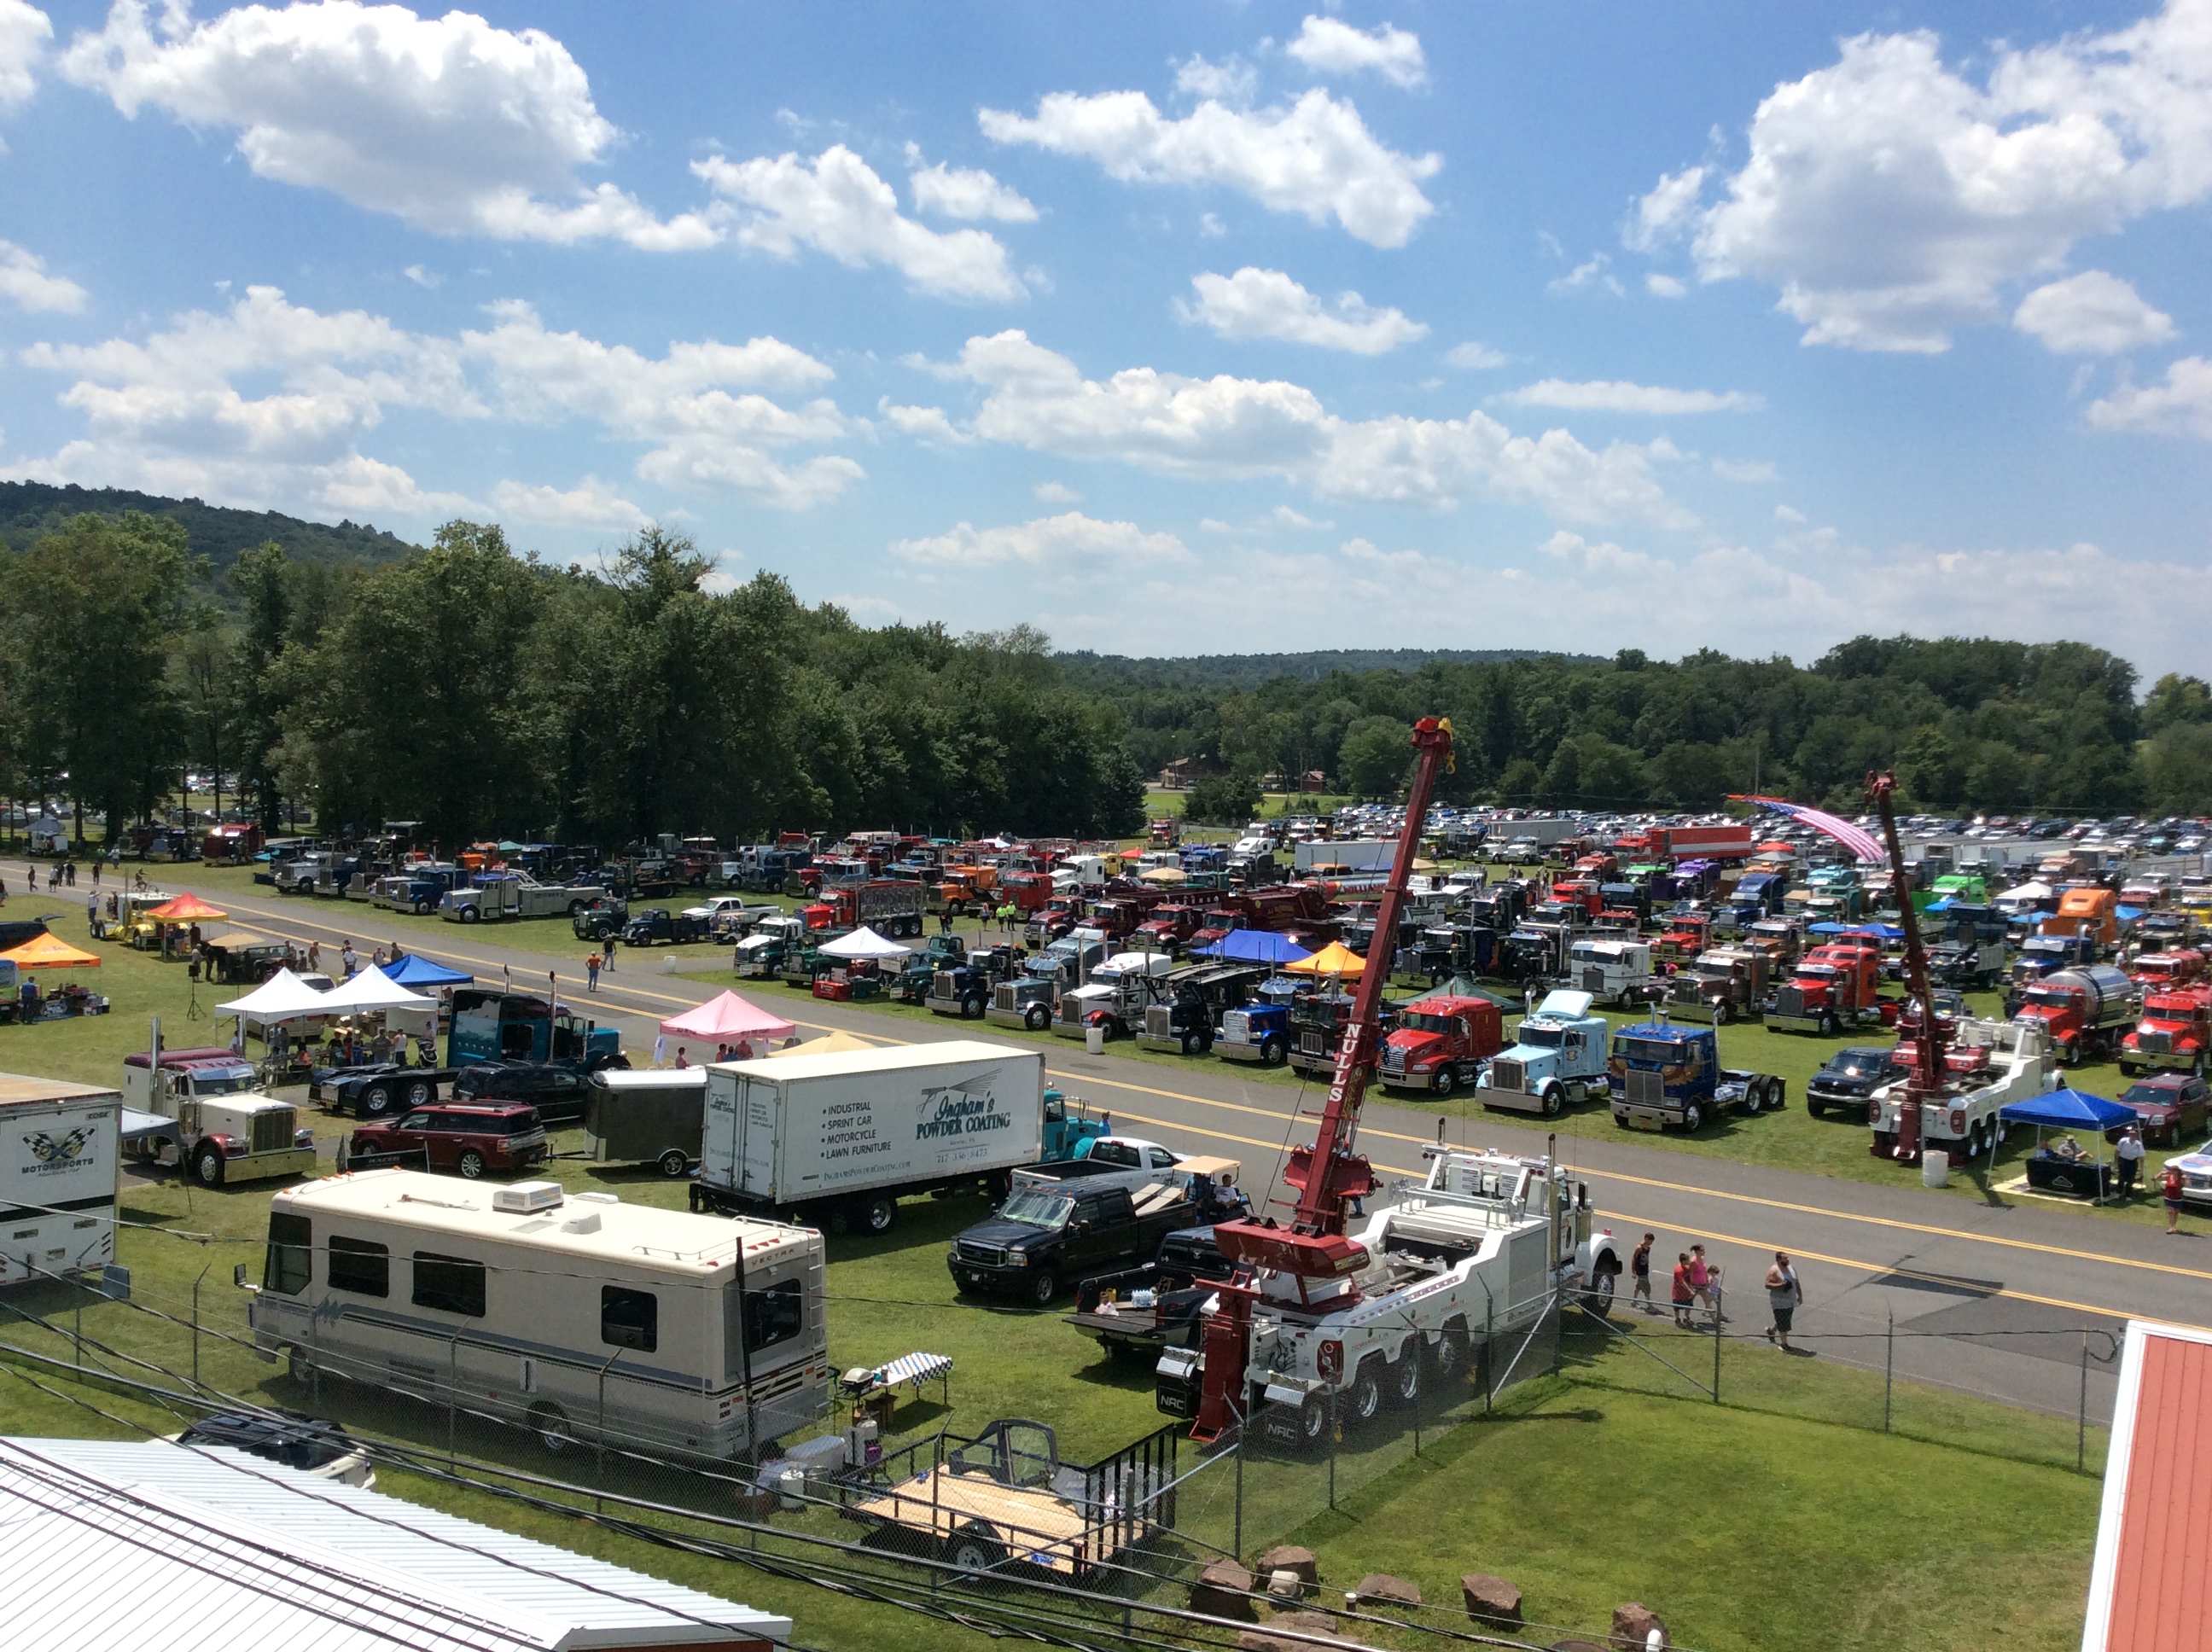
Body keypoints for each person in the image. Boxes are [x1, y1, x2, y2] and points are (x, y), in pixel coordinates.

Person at [1764, 1251, 1803, 1350]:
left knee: (1785, 1319)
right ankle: (1784, 1344)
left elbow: (1796, 1282)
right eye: (1785, 1258)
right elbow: (1767, 1284)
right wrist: (1780, 1285)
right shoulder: (1774, 1270)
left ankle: (1772, 1331)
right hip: (1779, 1301)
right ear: (1779, 1260)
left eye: (1787, 1258)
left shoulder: (1791, 1269)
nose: (1787, 1260)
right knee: (1784, 1322)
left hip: (1790, 1300)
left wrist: (1800, 1295)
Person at [2116, 1125, 2145, 1200]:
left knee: (2131, 1178)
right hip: (2123, 1160)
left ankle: (2128, 1195)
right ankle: (2119, 1192)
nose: (2133, 1136)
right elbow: (2117, 1151)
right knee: (2122, 1177)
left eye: (2134, 1135)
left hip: (2132, 1162)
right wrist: (2116, 1162)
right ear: (2129, 1135)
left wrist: (2142, 1171)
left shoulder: (2138, 1144)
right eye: (2131, 1134)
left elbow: (2141, 1157)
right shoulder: (2123, 1141)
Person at [1630, 1233, 1656, 1313]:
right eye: (1650, 1241)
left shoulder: (1648, 1248)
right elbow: (1634, 1258)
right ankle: (1649, 1304)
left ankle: (1633, 1300)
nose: (1651, 1243)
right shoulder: (1639, 1248)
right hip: (1640, 1270)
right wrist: (1633, 1271)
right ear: (1646, 1239)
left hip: (1645, 1269)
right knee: (1647, 1288)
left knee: (1639, 1286)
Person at [1670, 1253, 1695, 1329]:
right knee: (1677, 1307)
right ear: (1684, 1261)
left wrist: (1692, 1287)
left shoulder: (1687, 1268)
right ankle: (1677, 1320)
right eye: (1688, 1260)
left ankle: (1686, 1318)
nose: (1689, 1261)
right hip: (1679, 1292)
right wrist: (1690, 1290)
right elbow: (1682, 1282)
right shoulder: (1678, 1270)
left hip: (1686, 1293)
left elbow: (1689, 1278)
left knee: (1689, 1305)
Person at [2163, 1161, 2187, 1234]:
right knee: (2170, 1212)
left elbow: (2187, 1184)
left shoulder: (2181, 1178)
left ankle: (2173, 1226)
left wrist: (2186, 1178)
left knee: (2176, 1213)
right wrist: (2160, 1174)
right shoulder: (2168, 1176)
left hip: (2178, 1197)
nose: (2171, 1172)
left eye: (2173, 1170)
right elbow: (2157, 1179)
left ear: (2177, 1171)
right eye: (2171, 1170)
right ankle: (2171, 1227)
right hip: (2169, 1196)